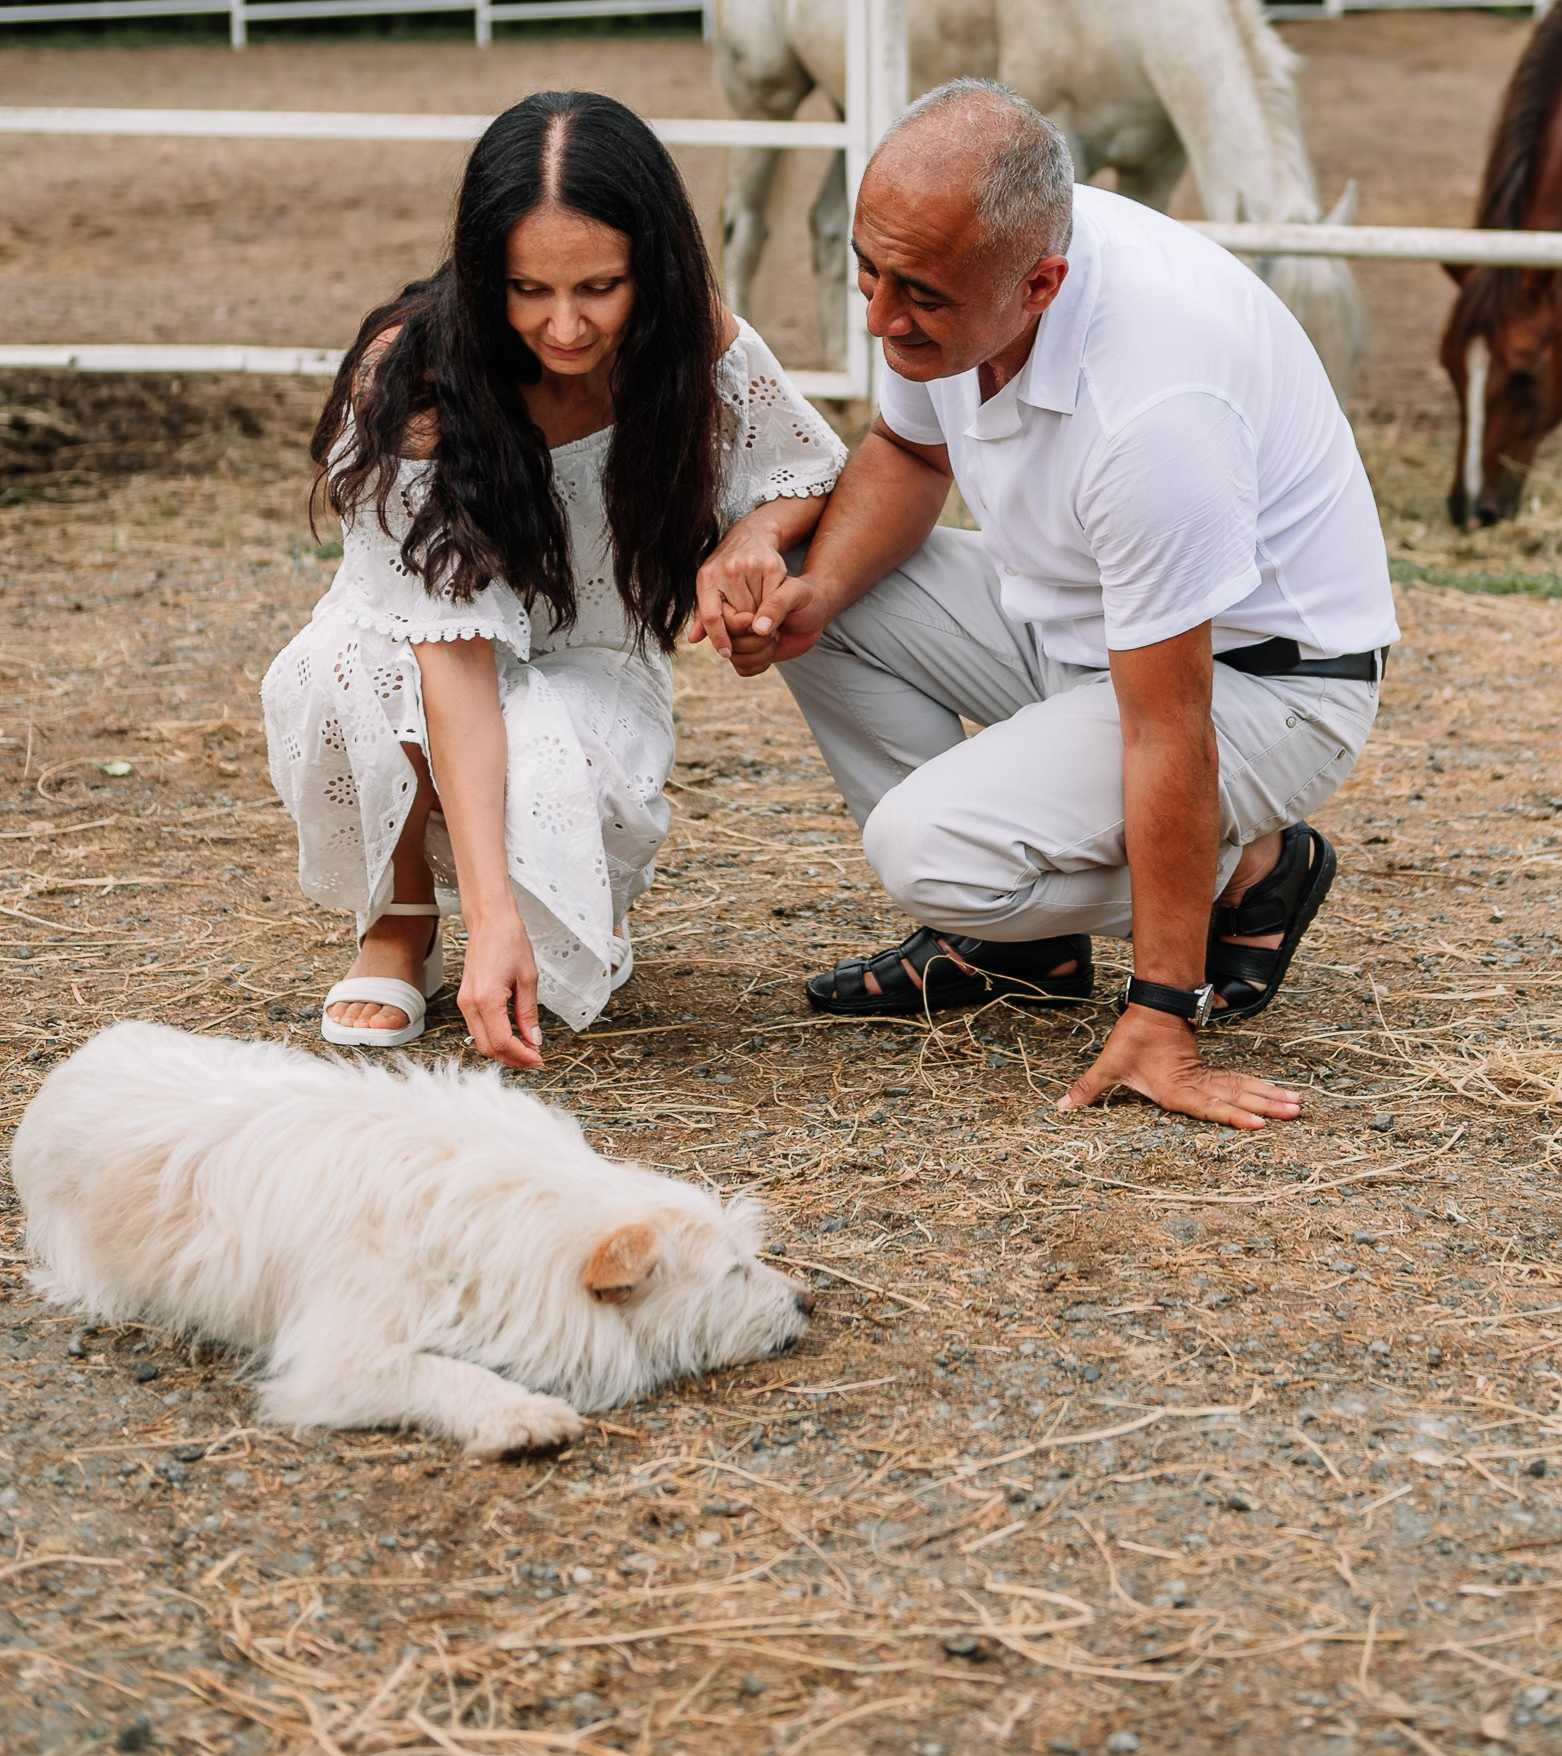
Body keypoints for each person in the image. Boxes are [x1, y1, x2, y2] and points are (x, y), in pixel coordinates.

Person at [694, 78, 1397, 1131]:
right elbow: (906, 451)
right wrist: (815, 591)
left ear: (1041, 284)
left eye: (917, 295)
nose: (881, 317)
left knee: (924, 851)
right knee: (824, 599)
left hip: (1267, 683)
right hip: (1084, 614)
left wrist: (1164, 1012)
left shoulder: (1157, 405)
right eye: (867, 271)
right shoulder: (964, 259)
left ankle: (1251, 872)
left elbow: (1170, 722)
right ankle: (1009, 937)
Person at [263, 89, 844, 1067]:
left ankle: (538, 900)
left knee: (549, 776)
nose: (566, 328)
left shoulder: (691, 338)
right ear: (486, 269)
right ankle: (402, 920)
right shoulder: (418, 377)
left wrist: (750, 541)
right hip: (420, 644)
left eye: (599, 288)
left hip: (590, 648)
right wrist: (488, 915)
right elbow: (455, 658)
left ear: (648, 266)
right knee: (347, 669)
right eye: (529, 289)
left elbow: (803, 469)